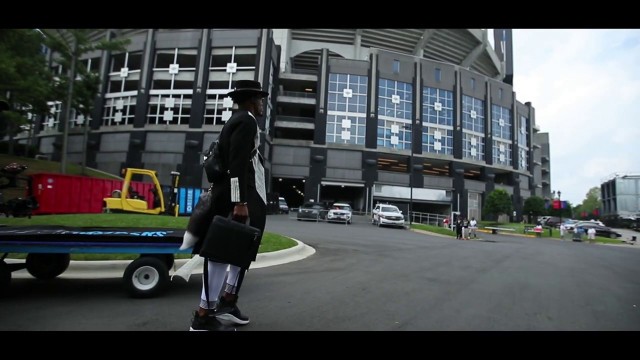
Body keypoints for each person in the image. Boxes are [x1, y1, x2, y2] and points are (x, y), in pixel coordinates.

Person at [189, 80, 269, 331]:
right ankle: (203, 317)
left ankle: (227, 302)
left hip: (243, 197)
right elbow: (236, 164)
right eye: (259, 99)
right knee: (220, 255)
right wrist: (240, 202)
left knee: (238, 252)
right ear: (250, 100)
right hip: (233, 200)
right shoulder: (245, 121)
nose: (262, 103)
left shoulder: (242, 120)